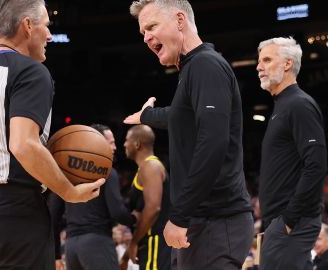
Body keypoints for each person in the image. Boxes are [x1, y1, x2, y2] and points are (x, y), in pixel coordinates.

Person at [0, 0, 105, 269]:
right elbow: (23, 144)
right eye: (46, 25)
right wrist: (69, 192)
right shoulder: (30, 71)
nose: (50, 35)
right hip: (14, 214)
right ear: (28, 26)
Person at [124, 1, 254, 269]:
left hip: (216, 220)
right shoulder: (193, 68)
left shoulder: (205, 65)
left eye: (151, 26)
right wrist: (147, 116)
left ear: (180, 20)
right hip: (205, 222)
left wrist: (180, 216)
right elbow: (182, 115)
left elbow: (213, 143)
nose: (146, 37)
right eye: (143, 33)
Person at [256, 37, 327, 270]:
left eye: (267, 60)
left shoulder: (299, 105)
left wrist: (288, 219)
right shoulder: (283, 106)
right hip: (282, 225)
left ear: (287, 64)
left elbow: (316, 165)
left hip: (292, 225)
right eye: (259, 61)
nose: (259, 67)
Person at [49, 124, 137, 270]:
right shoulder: (107, 172)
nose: (115, 147)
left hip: (72, 247)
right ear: (97, 143)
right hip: (97, 243)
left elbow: (53, 215)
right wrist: (134, 219)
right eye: (111, 143)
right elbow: (117, 212)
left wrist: (56, 255)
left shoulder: (67, 172)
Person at [120, 124, 171, 270]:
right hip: (150, 243)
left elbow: (153, 208)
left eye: (127, 140)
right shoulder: (144, 168)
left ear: (137, 144)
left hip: (156, 242)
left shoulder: (151, 167)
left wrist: (134, 242)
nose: (124, 144)